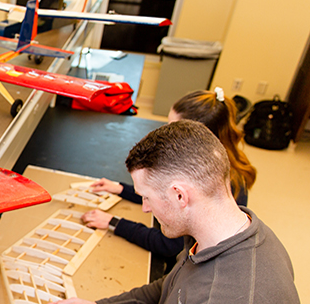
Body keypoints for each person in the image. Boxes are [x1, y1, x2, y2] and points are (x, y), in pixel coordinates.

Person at [50, 120, 298, 304]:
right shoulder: (222, 232)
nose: (145, 207)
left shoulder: (226, 295)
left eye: (147, 197)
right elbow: (168, 288)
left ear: (180, 195)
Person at [81, 88, 257, 258]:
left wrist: (115, 223)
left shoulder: (211, 181)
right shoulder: (210, 161)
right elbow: (161, 192)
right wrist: (121, 189)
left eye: (173, 127)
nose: (166, 133)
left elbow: (170, 245)